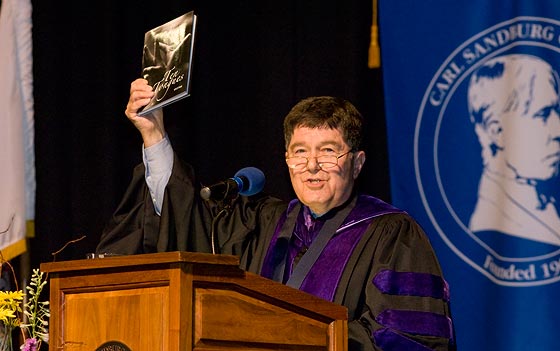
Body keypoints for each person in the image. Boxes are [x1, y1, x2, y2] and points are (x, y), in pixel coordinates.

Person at [97, 78, 455, 351]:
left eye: (328, 151)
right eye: (299, 152)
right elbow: (189, 223)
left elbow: (407, 338)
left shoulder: (391, 234)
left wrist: (295, 336)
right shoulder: (264, 223)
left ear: (357, 163)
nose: (312, 165)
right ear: (286, 160)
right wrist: (154, 133)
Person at [467, 54, 560, 250]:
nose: (557, 129)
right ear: (496, 131)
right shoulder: (489, 227)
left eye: (556, 111)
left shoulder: (541, 203)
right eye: (543, 114)